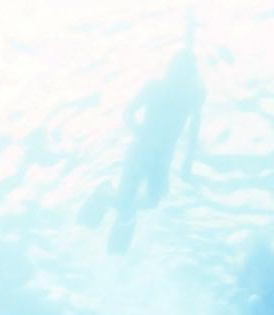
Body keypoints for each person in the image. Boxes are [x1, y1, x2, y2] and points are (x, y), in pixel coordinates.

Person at [81, 35, 204, 255]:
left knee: (153, 200)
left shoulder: (192, 96)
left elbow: (195, 129)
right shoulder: (155, 88)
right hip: (141, 149)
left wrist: (188, 161)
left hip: (163, 156)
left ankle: (118, 202)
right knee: (124, 201)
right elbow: (128, 112)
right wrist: (141, 133)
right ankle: (108, 196)